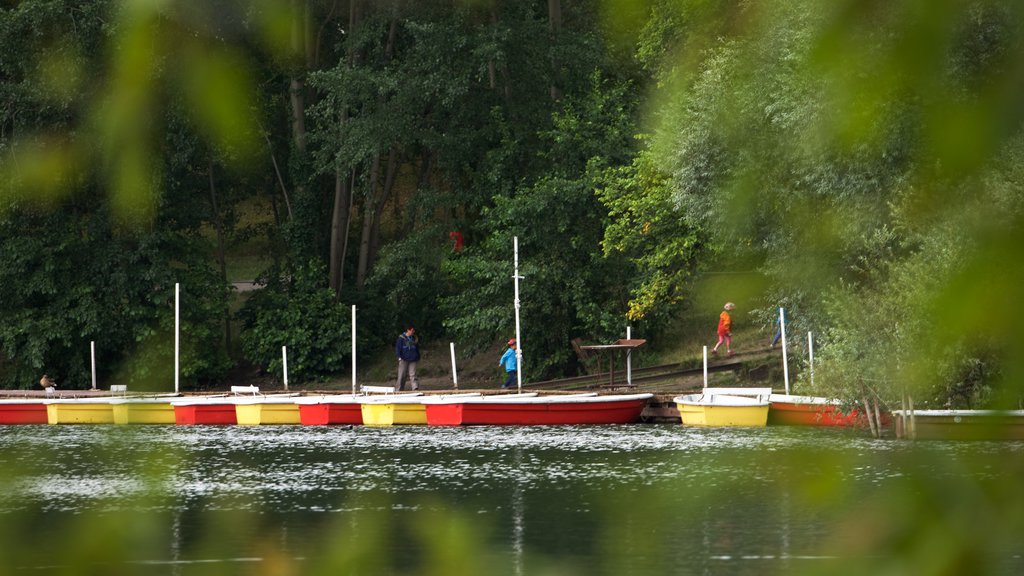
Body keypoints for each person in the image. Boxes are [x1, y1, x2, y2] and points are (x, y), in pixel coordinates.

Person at [395, 325, 420, 391]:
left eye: (413, 330)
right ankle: (399, 389)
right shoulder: (401, 338)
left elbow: (417, 348)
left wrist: (418, 356)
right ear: (408, 330)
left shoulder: (414, 338)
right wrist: (399, 357)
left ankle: (415, 388)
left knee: (413, 374)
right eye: (412, 330)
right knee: (402, 375)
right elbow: (398, 348)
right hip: (403, 359)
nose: (413, 332)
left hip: (413, 359)